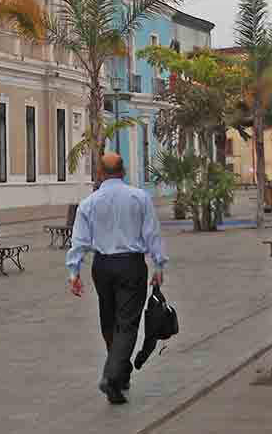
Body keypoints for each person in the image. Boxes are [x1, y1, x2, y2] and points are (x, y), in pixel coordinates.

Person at [66, 152, 167, 406]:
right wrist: (158, 265)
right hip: (131, 265)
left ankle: (120, 374)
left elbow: (78, 240)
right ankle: (112, 376)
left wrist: (74, 272)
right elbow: (152, 234)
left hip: (102, 266)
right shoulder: (139, 197)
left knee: (109, 321)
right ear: (124, 172)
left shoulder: (89, 203)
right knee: (128, 323)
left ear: (100, 174)